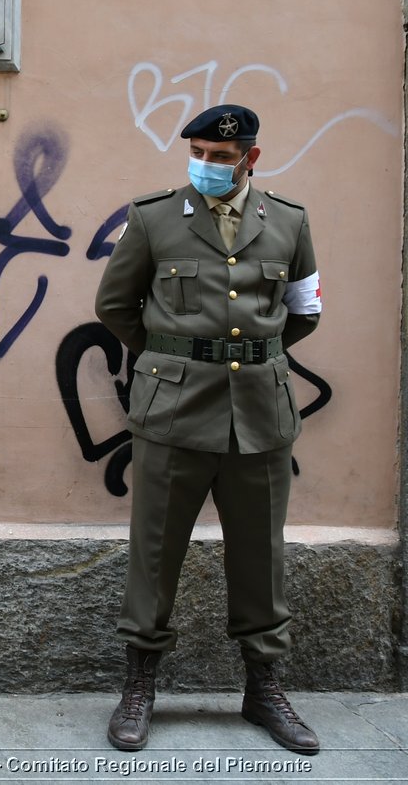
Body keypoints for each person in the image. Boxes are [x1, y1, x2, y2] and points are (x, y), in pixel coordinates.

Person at [93, 104, 323, 755]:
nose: (207, 165)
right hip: (172, 413)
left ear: (251, 157)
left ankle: (265, 688)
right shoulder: (155, 217)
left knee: (261, 556)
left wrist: (255, 354)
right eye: (198, 152)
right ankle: (139, 685)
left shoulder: (290, 222)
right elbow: (114, 305)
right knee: (155, 550)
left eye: (220, 157)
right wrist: (171, 357)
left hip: (261, 413)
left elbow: (303, 310)